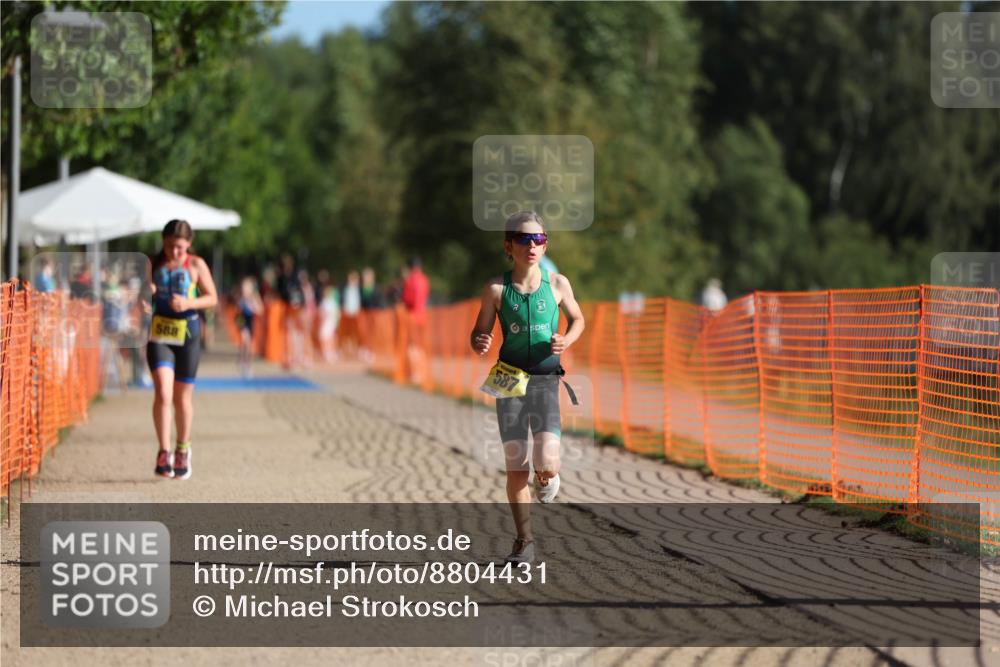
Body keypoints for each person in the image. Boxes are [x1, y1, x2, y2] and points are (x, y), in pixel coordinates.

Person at [470, 211, 585, 564]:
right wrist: (480, 341)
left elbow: (578, 319)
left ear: (545, 245)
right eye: (524, 239)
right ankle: (525, 541)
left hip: (545, 381)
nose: (532, 245)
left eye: (539, 239)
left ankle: (548, 475)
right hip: (510, 382)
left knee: (546, 461)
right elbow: (479, 333)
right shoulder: (496, 290)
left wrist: (566, 339)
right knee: (517, 466)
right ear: (509, 246)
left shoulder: (558, 284)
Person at [147, 219, 218, 480]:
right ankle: (163, 451)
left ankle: (182, 449)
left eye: (179, 247)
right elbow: (138, 296)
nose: (174, 252)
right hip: (160, 334)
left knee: (181, 398)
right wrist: (146, 295)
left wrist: (189, 302)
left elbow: (212, 298)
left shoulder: (196, 264)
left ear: (189, 244)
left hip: (188, 334)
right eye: (169, 246)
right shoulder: (153, 264)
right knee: (163, 392)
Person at [402, 256, 431, 383]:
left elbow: (408, 299)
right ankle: (422, 372)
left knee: (412, 346)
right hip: (423, 315)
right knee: (420, 345)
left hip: (412, 316)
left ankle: (415, 374)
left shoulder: (410, 280)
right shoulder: (425, 279)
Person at [236, 276, 263, 378]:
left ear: (251, 289)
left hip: (251, 322)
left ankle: (248, 365)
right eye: (243, 288)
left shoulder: (254, 298)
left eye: (246, 288)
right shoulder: (241, 298)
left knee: (249, 346)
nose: (245, 290)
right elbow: (238, 311)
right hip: (243, 322)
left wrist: (254, 308)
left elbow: (260, 310)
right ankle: (242, 360)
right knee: (244, 340)